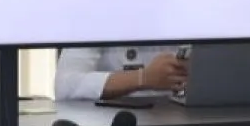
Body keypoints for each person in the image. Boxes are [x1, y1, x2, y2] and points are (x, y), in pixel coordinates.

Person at [54, 46, 188, 102]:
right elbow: (65, 86)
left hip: (179, 122)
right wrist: (142, 78)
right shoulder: (94, 16)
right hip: (110, 125)